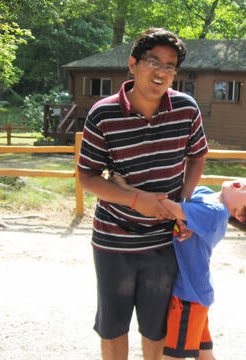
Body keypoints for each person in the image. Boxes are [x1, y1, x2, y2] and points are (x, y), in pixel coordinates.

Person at [77, 28, 208, 360]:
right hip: (113, 241)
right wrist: (138, 200)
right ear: (133, 64)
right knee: (113, 326)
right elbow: (87, 176)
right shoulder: (103, 114)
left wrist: (184, 205)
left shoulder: (186, 109)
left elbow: (197, 156)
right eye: (153, 61)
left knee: (156, 327)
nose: (162, 71)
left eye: (170, 65)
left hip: (164, 242)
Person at [110, 174, 246, 359]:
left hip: (188, 296)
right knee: (204, 355)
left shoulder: (217, 212)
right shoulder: (205, 195)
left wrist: (124, 189)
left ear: (241, 215)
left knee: (173, 356)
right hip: (197, 294)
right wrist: (187, 221)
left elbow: (164, 206)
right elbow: (181, 204)